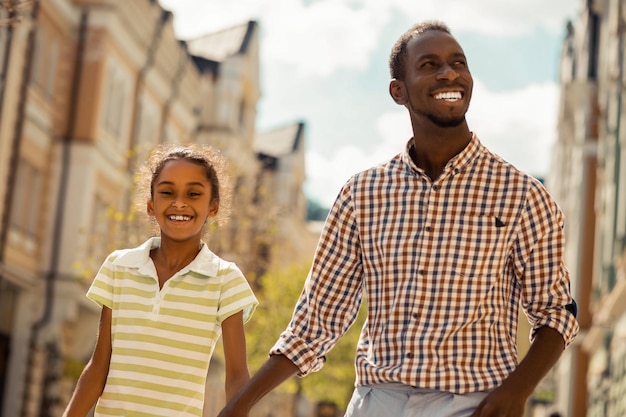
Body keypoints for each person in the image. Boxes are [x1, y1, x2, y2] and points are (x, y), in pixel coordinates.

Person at [218, 20, 579, 417]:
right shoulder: (362, 194)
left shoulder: (523, 196)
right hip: (376, 402)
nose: (449, 73)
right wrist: (242, 403)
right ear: (398, 90)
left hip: (472, 404)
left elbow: (555, 313)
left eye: (459, 62)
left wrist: (517, 391)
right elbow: (316, 321)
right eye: (430, 64)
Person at [62, 144, 258, 417]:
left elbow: (237, 377)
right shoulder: (119, 266)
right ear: (151, 205)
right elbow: (98, 366)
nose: (179, 203)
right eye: (167, 192)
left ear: (213, 207)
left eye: (193, 194)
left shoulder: (226, 279)